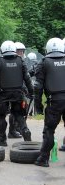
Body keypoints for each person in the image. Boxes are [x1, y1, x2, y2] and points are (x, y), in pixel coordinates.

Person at [0, 40, 33, 146]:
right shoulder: (20, 60)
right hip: (18, 93)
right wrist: (31, 92)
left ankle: (2, 139)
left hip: (3, 93)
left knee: (1, 116)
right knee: (18, 115)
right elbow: (27, 78)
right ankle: (25, 130)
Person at [34, 38, 65, 167]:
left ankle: (43, 159)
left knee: (49, 131)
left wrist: (38, 106)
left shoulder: (43, 63)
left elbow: (38, 87)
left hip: (54, 101)